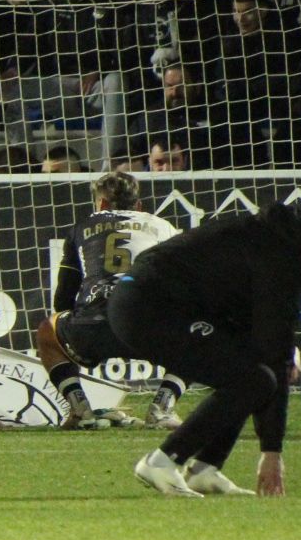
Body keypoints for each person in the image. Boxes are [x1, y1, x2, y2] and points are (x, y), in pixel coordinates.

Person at [109, 193, 301, 498]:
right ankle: (163, 461)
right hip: (148, 307)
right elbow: (272, 356)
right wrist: (272, 451)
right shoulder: (286, 257)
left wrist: (284, 353)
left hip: (145, 298)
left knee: (253, 374)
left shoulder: (279, 234)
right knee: (254, 379)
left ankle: (205, 468)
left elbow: (264, 342)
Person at [35, 170, 188, 430]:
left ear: (102, 204)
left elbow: (63, 297)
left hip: (92, 327)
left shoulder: (81, 228)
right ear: (139, 205)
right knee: (200, 329)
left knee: (46, 331)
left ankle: (80, 409)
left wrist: (75, 332)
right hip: (146, 327)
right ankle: (162, 408)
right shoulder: (165, 228)